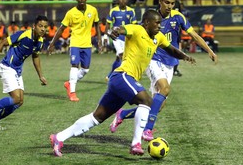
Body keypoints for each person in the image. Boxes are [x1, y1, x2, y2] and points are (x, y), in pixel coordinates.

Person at [49, 9, 196, 157]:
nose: (160, 26)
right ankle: (136, 143)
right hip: (123, 76)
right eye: (157, 23)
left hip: (122, 82)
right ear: (146, 23)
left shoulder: (158, 37)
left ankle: (59, 138)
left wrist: (185, 56)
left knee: (97, 117)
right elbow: (122, 29)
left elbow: (171, 49)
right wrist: (115, 31)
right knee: (147, 101)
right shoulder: (138, 29)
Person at [109, 0, 218, 140]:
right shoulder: (151, 18)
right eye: (167, 2)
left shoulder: (178, 17)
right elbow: (139, 34)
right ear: (160, 1)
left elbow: (193, 35)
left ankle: (123, 113)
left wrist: (209, 51)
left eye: (172, 3)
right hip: (153, 59)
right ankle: (148, 130)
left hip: (170, 63)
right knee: (165, 88)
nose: (169, 6)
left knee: (157, 106)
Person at [0, 15, 49, 130]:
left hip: (17, 71)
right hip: (6, 67)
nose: (43, 29)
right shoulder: (24, 34)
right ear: (34, 26)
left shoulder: (40, 42)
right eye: (40, 26)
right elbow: (1, 43)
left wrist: (41, 75)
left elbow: (35, 57)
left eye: (45, 27)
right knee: (16, 98)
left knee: (19, 102)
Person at [47, 0, 101, 102]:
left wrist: (99, 39)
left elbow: (97, 24)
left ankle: (69, 84)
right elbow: (61, 28)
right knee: (75, 66)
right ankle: (72, 92)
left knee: (85, 70)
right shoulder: (71, 13)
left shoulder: (93, 10)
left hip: (87, 44)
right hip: (75, 43)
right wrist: (52, 43)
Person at [105, 0, 137, 80]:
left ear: (127, 0)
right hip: (116, 37)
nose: (123, 1)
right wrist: (107, 34)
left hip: (126, 38)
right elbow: (107, 25)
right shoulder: (113, 11)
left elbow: (134, 25)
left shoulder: (131, 11)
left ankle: (110, 75)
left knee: (118, 59)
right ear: (118, 0)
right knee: (122, 55)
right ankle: (124, 76)